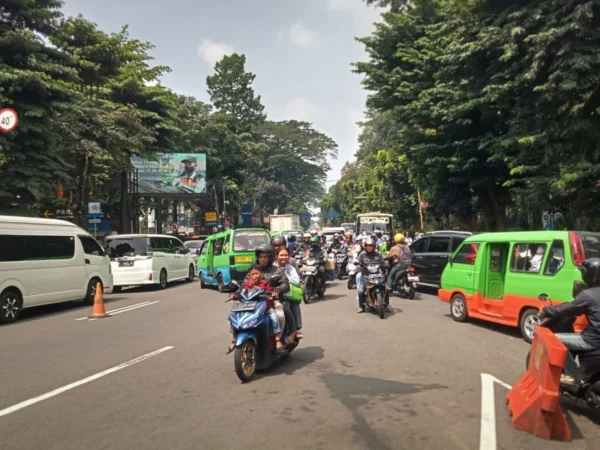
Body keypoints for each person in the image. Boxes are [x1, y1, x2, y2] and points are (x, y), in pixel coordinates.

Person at [540, 258, 600, 384]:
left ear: (592, 276)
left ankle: (572, 375)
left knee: (554, 339)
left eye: (585, 273)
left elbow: (567, 309)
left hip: (593, 340)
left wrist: (546, 310)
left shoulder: (588, 295)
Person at [227, 245, 290, 353]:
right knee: (234, 315)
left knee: (279, 315)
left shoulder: (277, 271)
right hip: (251, 301)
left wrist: (277, 290)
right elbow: (244, 286)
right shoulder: (253, 270)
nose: (263, 259)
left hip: (270, 300)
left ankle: (279, 339)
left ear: (270, 258)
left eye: (265, 257)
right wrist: (236, 293)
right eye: (260, 257)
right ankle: (234, 338)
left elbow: (286, 285)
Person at [274, 247, 304, 341]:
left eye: (286, 255)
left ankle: (294, 330)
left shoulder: (290, 267)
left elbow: (296, 281)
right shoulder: (272, 267)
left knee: (286, 307)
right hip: (272, 293)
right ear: (276, 256)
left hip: (286, 293)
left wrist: (285, 277)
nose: (284, 257)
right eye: (281, 255)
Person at [356, 238, 389, 313]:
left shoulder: (378, 254)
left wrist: (386, 264)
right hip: (366, 274)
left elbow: (383, 262)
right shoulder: (362, 254)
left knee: (386, 288)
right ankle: (361, 306)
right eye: (368, 246)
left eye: (371, 246)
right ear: (365, 246)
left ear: (374, 246)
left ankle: (386, 305)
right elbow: (359, 263)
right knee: (361, 290)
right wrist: (359, 268)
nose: (369, 247)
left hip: (378, 274)